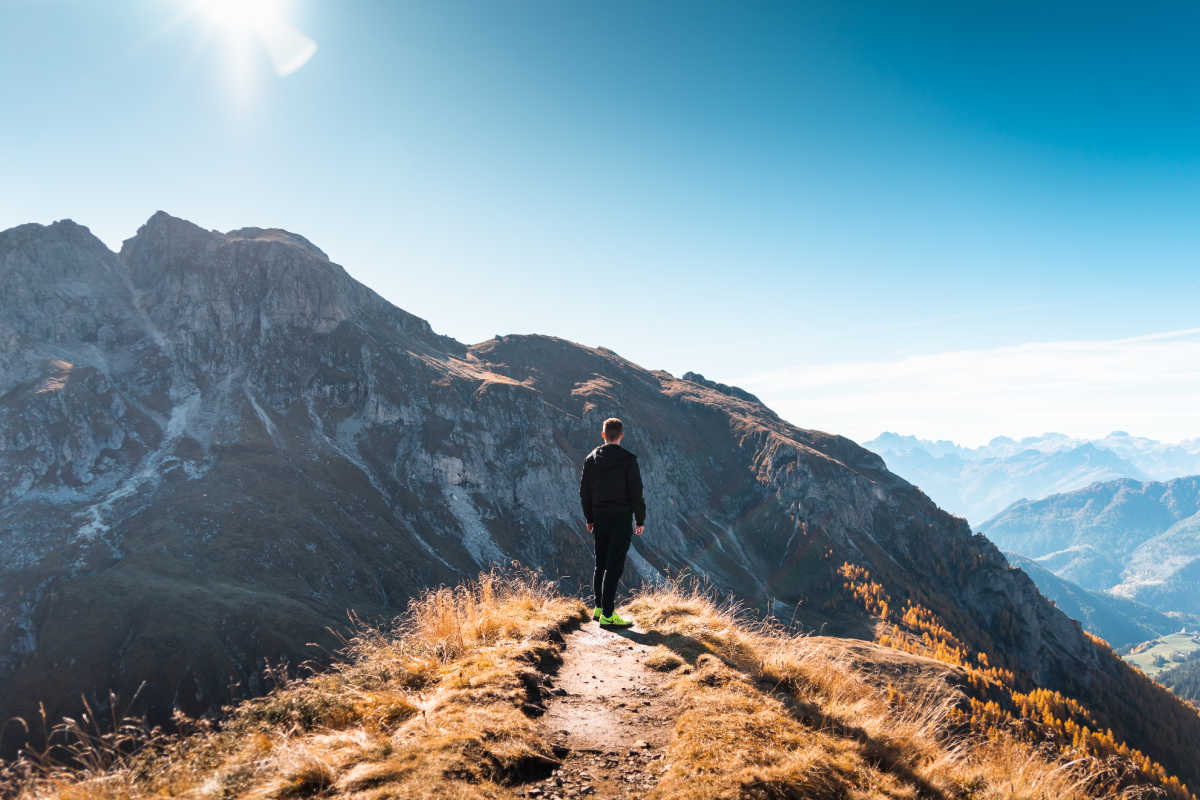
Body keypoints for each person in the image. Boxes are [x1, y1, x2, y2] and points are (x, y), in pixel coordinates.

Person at [579, 417, 646, 627]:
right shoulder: (628, 460)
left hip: (599, 517)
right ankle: (608, 615)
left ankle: (599, 608)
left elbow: (584, 493)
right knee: (614, 566)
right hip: (621, 518)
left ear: (603, 435)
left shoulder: (591, 459)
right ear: (621, 435)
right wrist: (640, 519)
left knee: (600, 563)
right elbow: (637, 493)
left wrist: (589, 518)